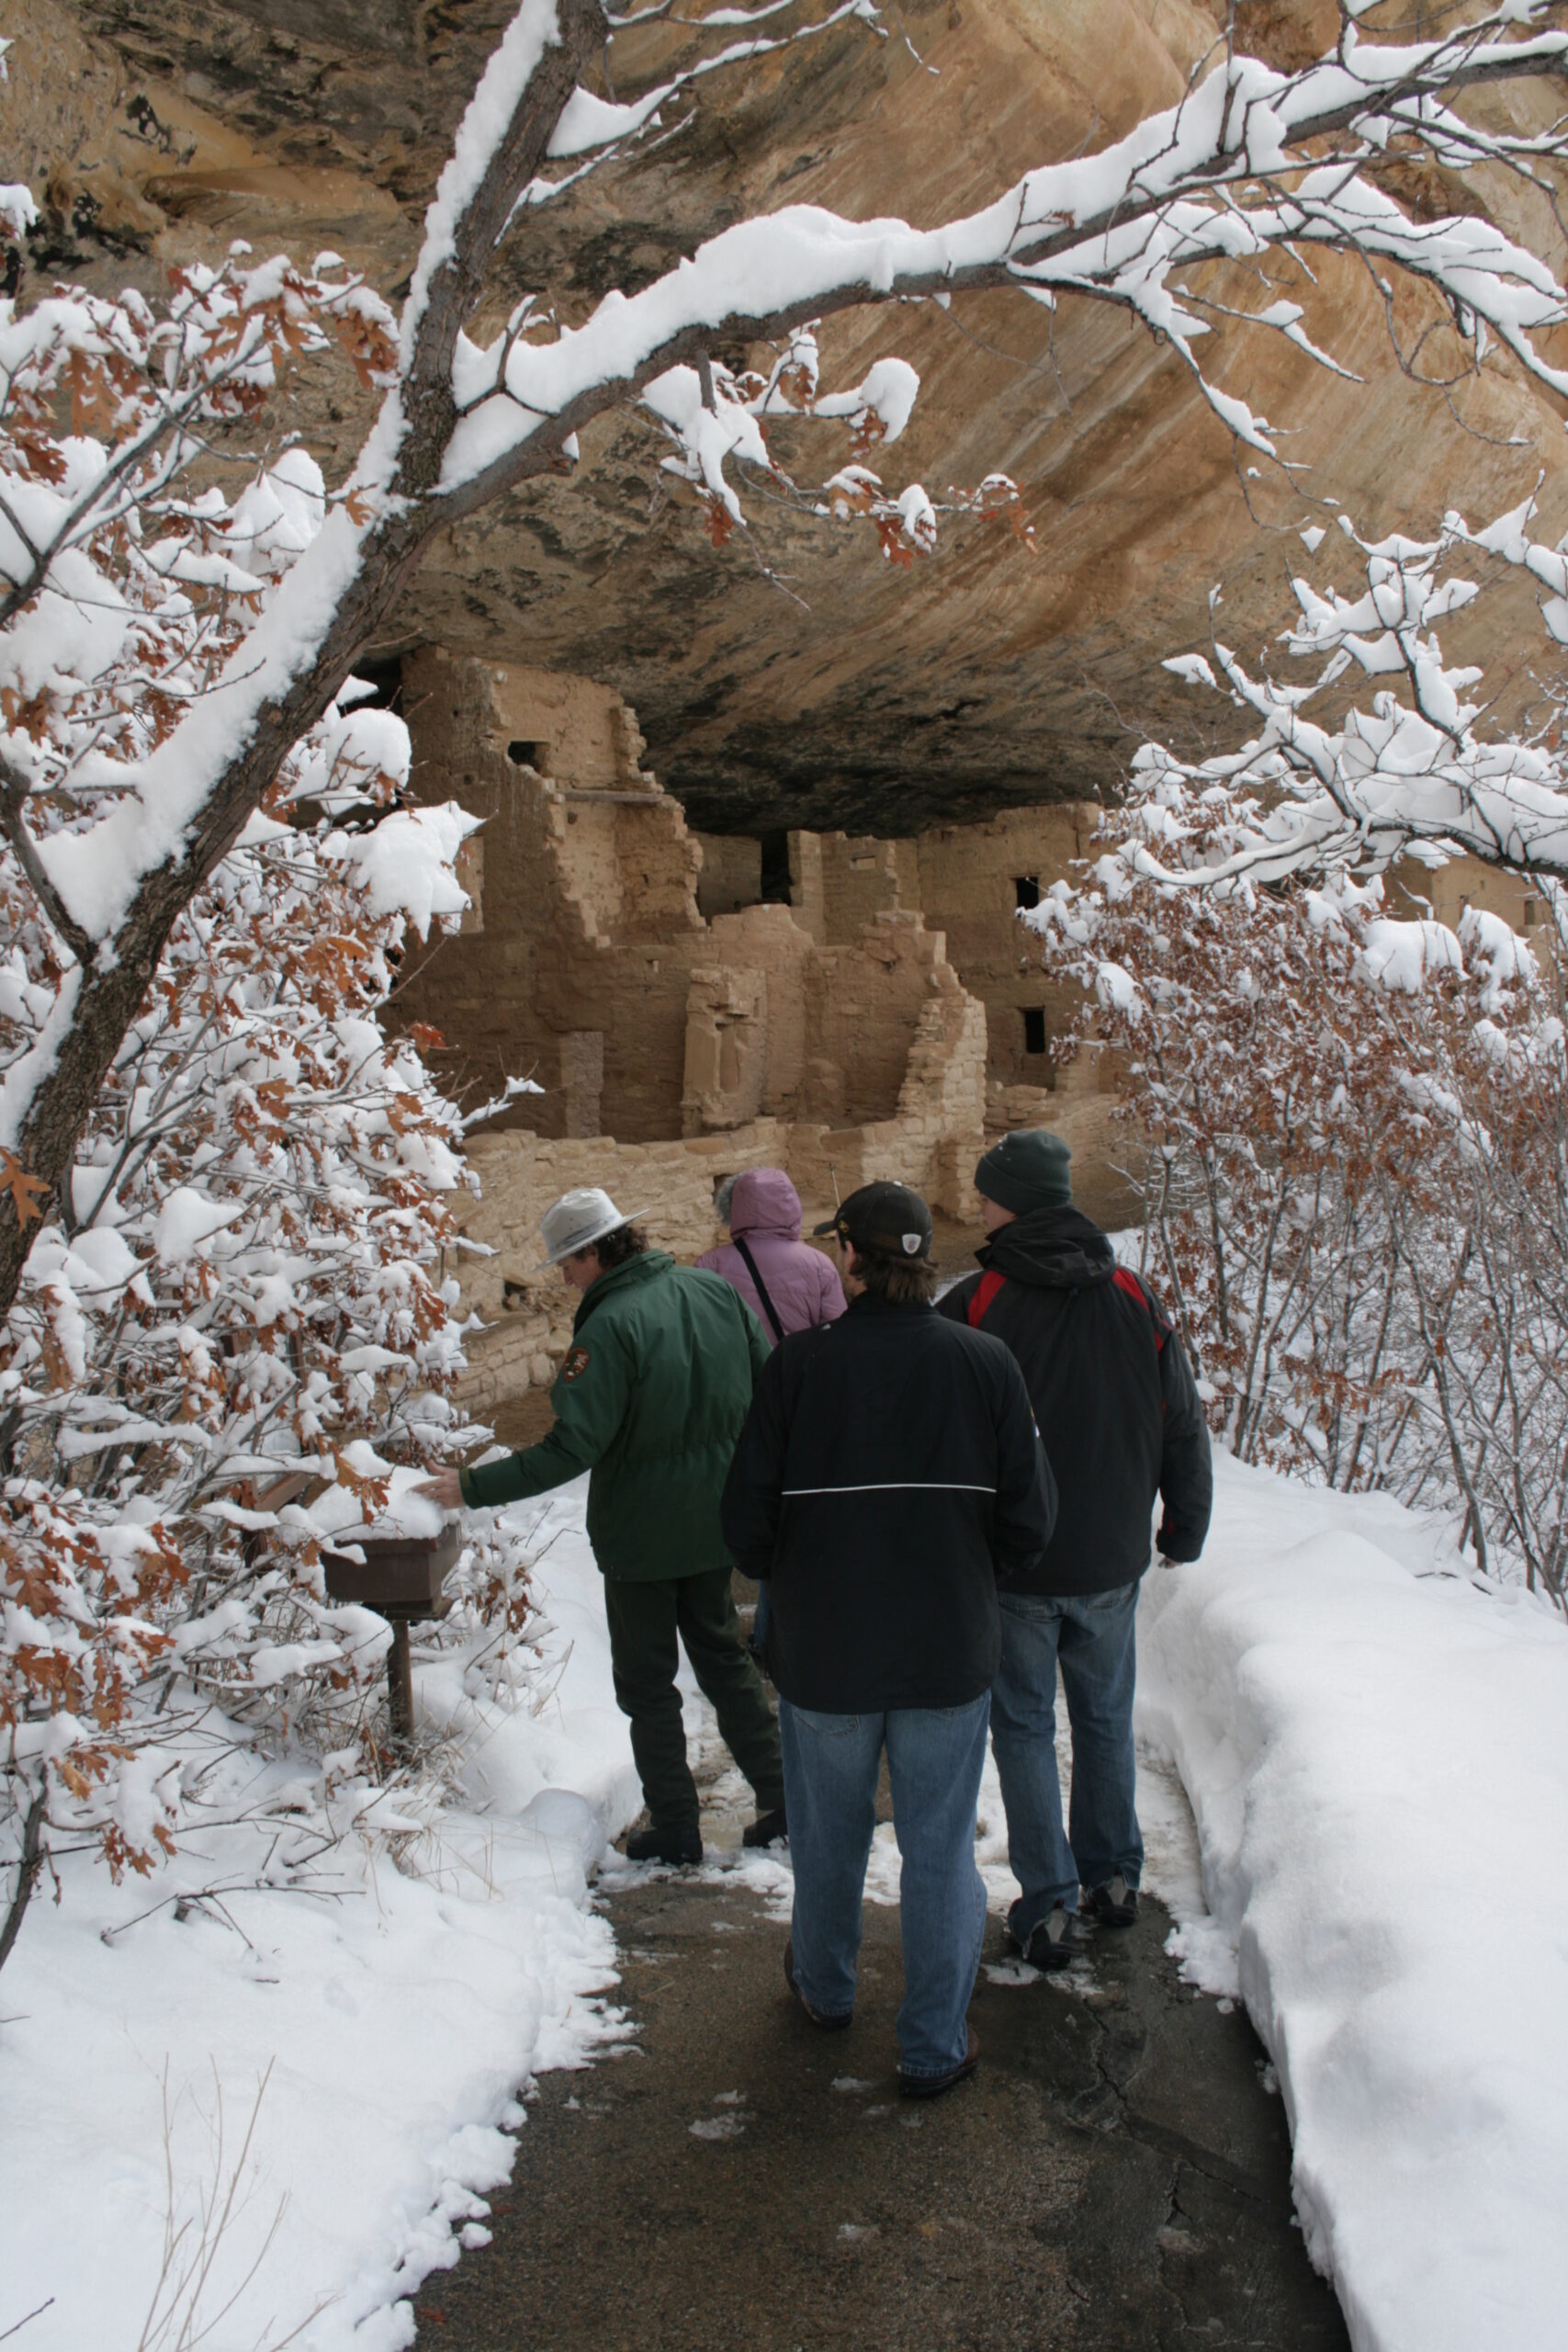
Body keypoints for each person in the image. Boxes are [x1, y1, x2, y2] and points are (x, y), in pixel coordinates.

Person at [723, 1181, 1055, 2098]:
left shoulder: (799, 1369)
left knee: (829, 1837)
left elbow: (746, 1522)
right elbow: (1031, 1518)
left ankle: (827, 1992)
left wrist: (789, 1573)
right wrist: (975, 1577)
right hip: (946, 1647)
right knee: (939, 1849)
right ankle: (932, 2043)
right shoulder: (987, 1365)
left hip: (827, 1651)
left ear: (852, 1260)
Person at [417, 1186, 785, 1865]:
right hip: (717, 1520)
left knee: (646, 1682)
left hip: (643, 1533)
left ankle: (675, 1824)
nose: (561, 1275)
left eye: (566, 1262)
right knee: (723, 1661)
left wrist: (470, 1486)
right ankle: (783, 1799)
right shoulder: (714, 1294)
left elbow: (572, 1447)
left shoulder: (610, 1327)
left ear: (596, 1251)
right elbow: (772, 1389)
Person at [936, 1130, 1213, 1971]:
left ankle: (1049, 1900)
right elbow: (1181, 1419)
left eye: (987, 1196)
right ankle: (1113, 1877)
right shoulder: (1132, 1293)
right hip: (1109, 1558)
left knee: (1021, 1724)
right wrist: (1182, 1524)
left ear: (1013, 1201)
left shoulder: (977, 1300)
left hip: (1016, 1562)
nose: (978, 1207)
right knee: (1100, 1716)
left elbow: (943, 1438)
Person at [697, 1166, 846, 1660]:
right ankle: (775, 1629)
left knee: (738, 1511)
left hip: (733, 1406)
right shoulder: (819, 1264)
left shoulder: (712, 1265)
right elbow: (839, 1337)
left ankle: (718, 1620)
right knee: (792, 1519)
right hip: (798, 1406)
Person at [696, 1167, 847, 1346]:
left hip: (742, 1371)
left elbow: (701, 1332)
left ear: (736, 1205)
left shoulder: (710, 1265)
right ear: (791, 1203)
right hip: (797, 1369)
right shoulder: (820, 1264)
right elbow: (836, 1332)